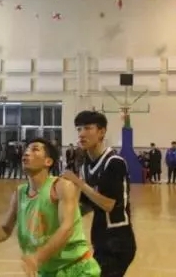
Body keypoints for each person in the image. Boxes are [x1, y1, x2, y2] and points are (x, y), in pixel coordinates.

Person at [0, 138, 101, 277]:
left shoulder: (61, 186)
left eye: (34, 150)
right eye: (26, 150)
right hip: (46, 271)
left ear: (48, 162)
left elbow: (67, 228)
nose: (26, 153)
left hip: (76, 268)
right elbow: (5, 229)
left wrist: (37, 258)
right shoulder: (20, 193)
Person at [62, 110, 136, 277]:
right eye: (79, 129)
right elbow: (88, 205)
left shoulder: (114, 162)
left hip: (118, 241)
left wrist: (79, 183)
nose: (82, 134)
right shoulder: (85, 165)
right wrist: (62, 217)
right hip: (100, 238)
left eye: (88, 128)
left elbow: (108, 204)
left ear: (102, 132)